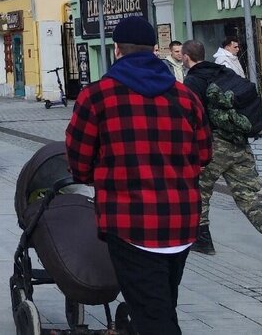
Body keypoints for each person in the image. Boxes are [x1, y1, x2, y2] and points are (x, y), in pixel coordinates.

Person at [66, 17, 210, 335]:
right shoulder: (186, 98)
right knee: (161, 304)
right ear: (154, 50)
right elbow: (203, 155)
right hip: (181, 221)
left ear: (117, 51)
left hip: (131, 222)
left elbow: (79, 163)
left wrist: (104, 175)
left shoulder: (97, 97)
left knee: (153, 318)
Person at [182, 39, 262, 272]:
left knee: (198, 190)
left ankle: (203, 240)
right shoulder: (222, 71)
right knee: (247, 197)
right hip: (239, 143)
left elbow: (194, 118)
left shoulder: (193, 80)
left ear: (185, 57)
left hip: (214, 145)